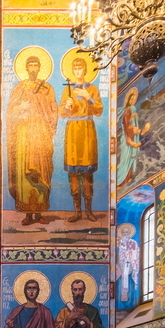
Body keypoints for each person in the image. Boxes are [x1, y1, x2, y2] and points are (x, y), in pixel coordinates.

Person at [7, 53, 58, 224]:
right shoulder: (19, 88)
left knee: (42, 169)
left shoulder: (47, 88)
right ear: (26, 68)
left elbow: (53, 109)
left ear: (40, 68)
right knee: (24, 172)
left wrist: (40, 109)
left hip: (41, 132)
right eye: (31, 65)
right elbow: (10, 112)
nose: (33, 69)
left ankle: (40, 213)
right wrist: (21, 107)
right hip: (23, 134)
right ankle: (28, 214)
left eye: (36, 65)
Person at [59, 54, 102, 220]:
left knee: (87, 172)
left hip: (87, 131)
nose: (78, 70)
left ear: (85, 69)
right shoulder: (67, 89)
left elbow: (99, 110)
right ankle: (77, 211)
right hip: (72, 132)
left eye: (80, 67)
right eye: (75, 67)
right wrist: (67, 106)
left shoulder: (92, 89)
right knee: (73, 173)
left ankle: (89, 211)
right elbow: (62, 114)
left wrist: (88, 97)